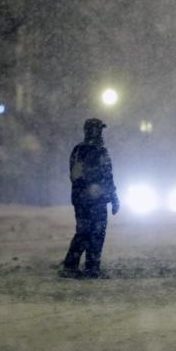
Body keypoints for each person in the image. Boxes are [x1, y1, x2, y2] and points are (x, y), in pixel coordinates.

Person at [62, 118, 119, 279]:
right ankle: (88, 267)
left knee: (86, 233)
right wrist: (111, 196)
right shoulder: (98, 151)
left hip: (85, 200)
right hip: (93, 201)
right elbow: (107, 177)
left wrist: (111, 196)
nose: (100, 134)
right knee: (93, 233)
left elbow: (76, 176)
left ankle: (77, 265)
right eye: (99, 130)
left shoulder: (80, 150)